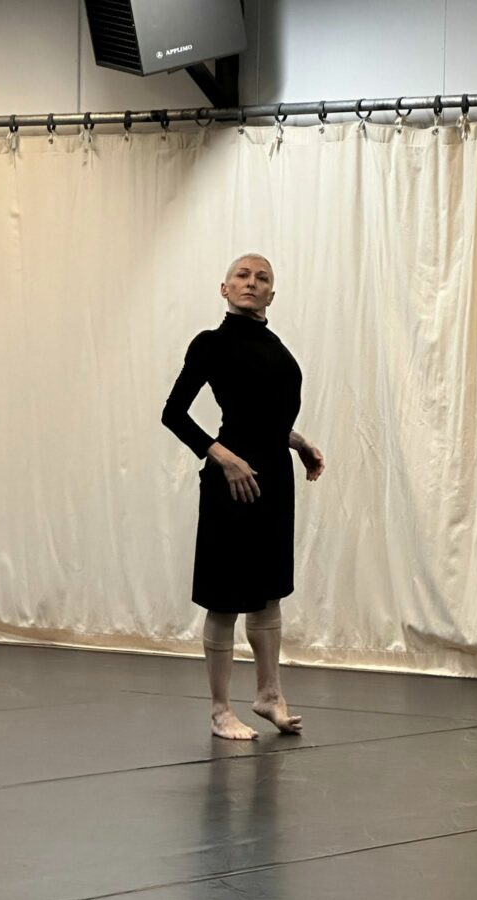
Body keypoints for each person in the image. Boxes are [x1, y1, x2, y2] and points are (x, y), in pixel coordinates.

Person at [162, 254, 325, 740]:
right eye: (242, 275)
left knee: (267, 592)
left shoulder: (277, 349)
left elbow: (261, 417)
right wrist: (223, 458)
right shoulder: (211, 344)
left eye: (262, 278)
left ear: (272, 293)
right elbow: (174, 414)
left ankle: (269, 694)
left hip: (273, 478)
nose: (252, 282)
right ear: (225, 289)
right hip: (230, 482)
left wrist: (297, 442)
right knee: (224, 597)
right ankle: (220, 711)